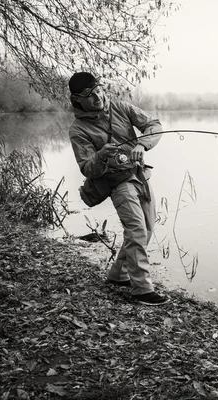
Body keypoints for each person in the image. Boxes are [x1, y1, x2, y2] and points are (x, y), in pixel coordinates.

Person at [68, 71, 166, 306]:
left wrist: (142, 144)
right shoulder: (78, 130)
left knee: (148, 227)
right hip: (116, 183)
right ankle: (142, 288)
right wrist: (101, 156)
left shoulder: (122, 108)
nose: (97, 97)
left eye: (98, 90)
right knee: (136, 229)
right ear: (77, 100)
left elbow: (154, 124)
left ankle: (118, 275)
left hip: (139, 174)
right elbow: (87, 168)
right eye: (89, 95)